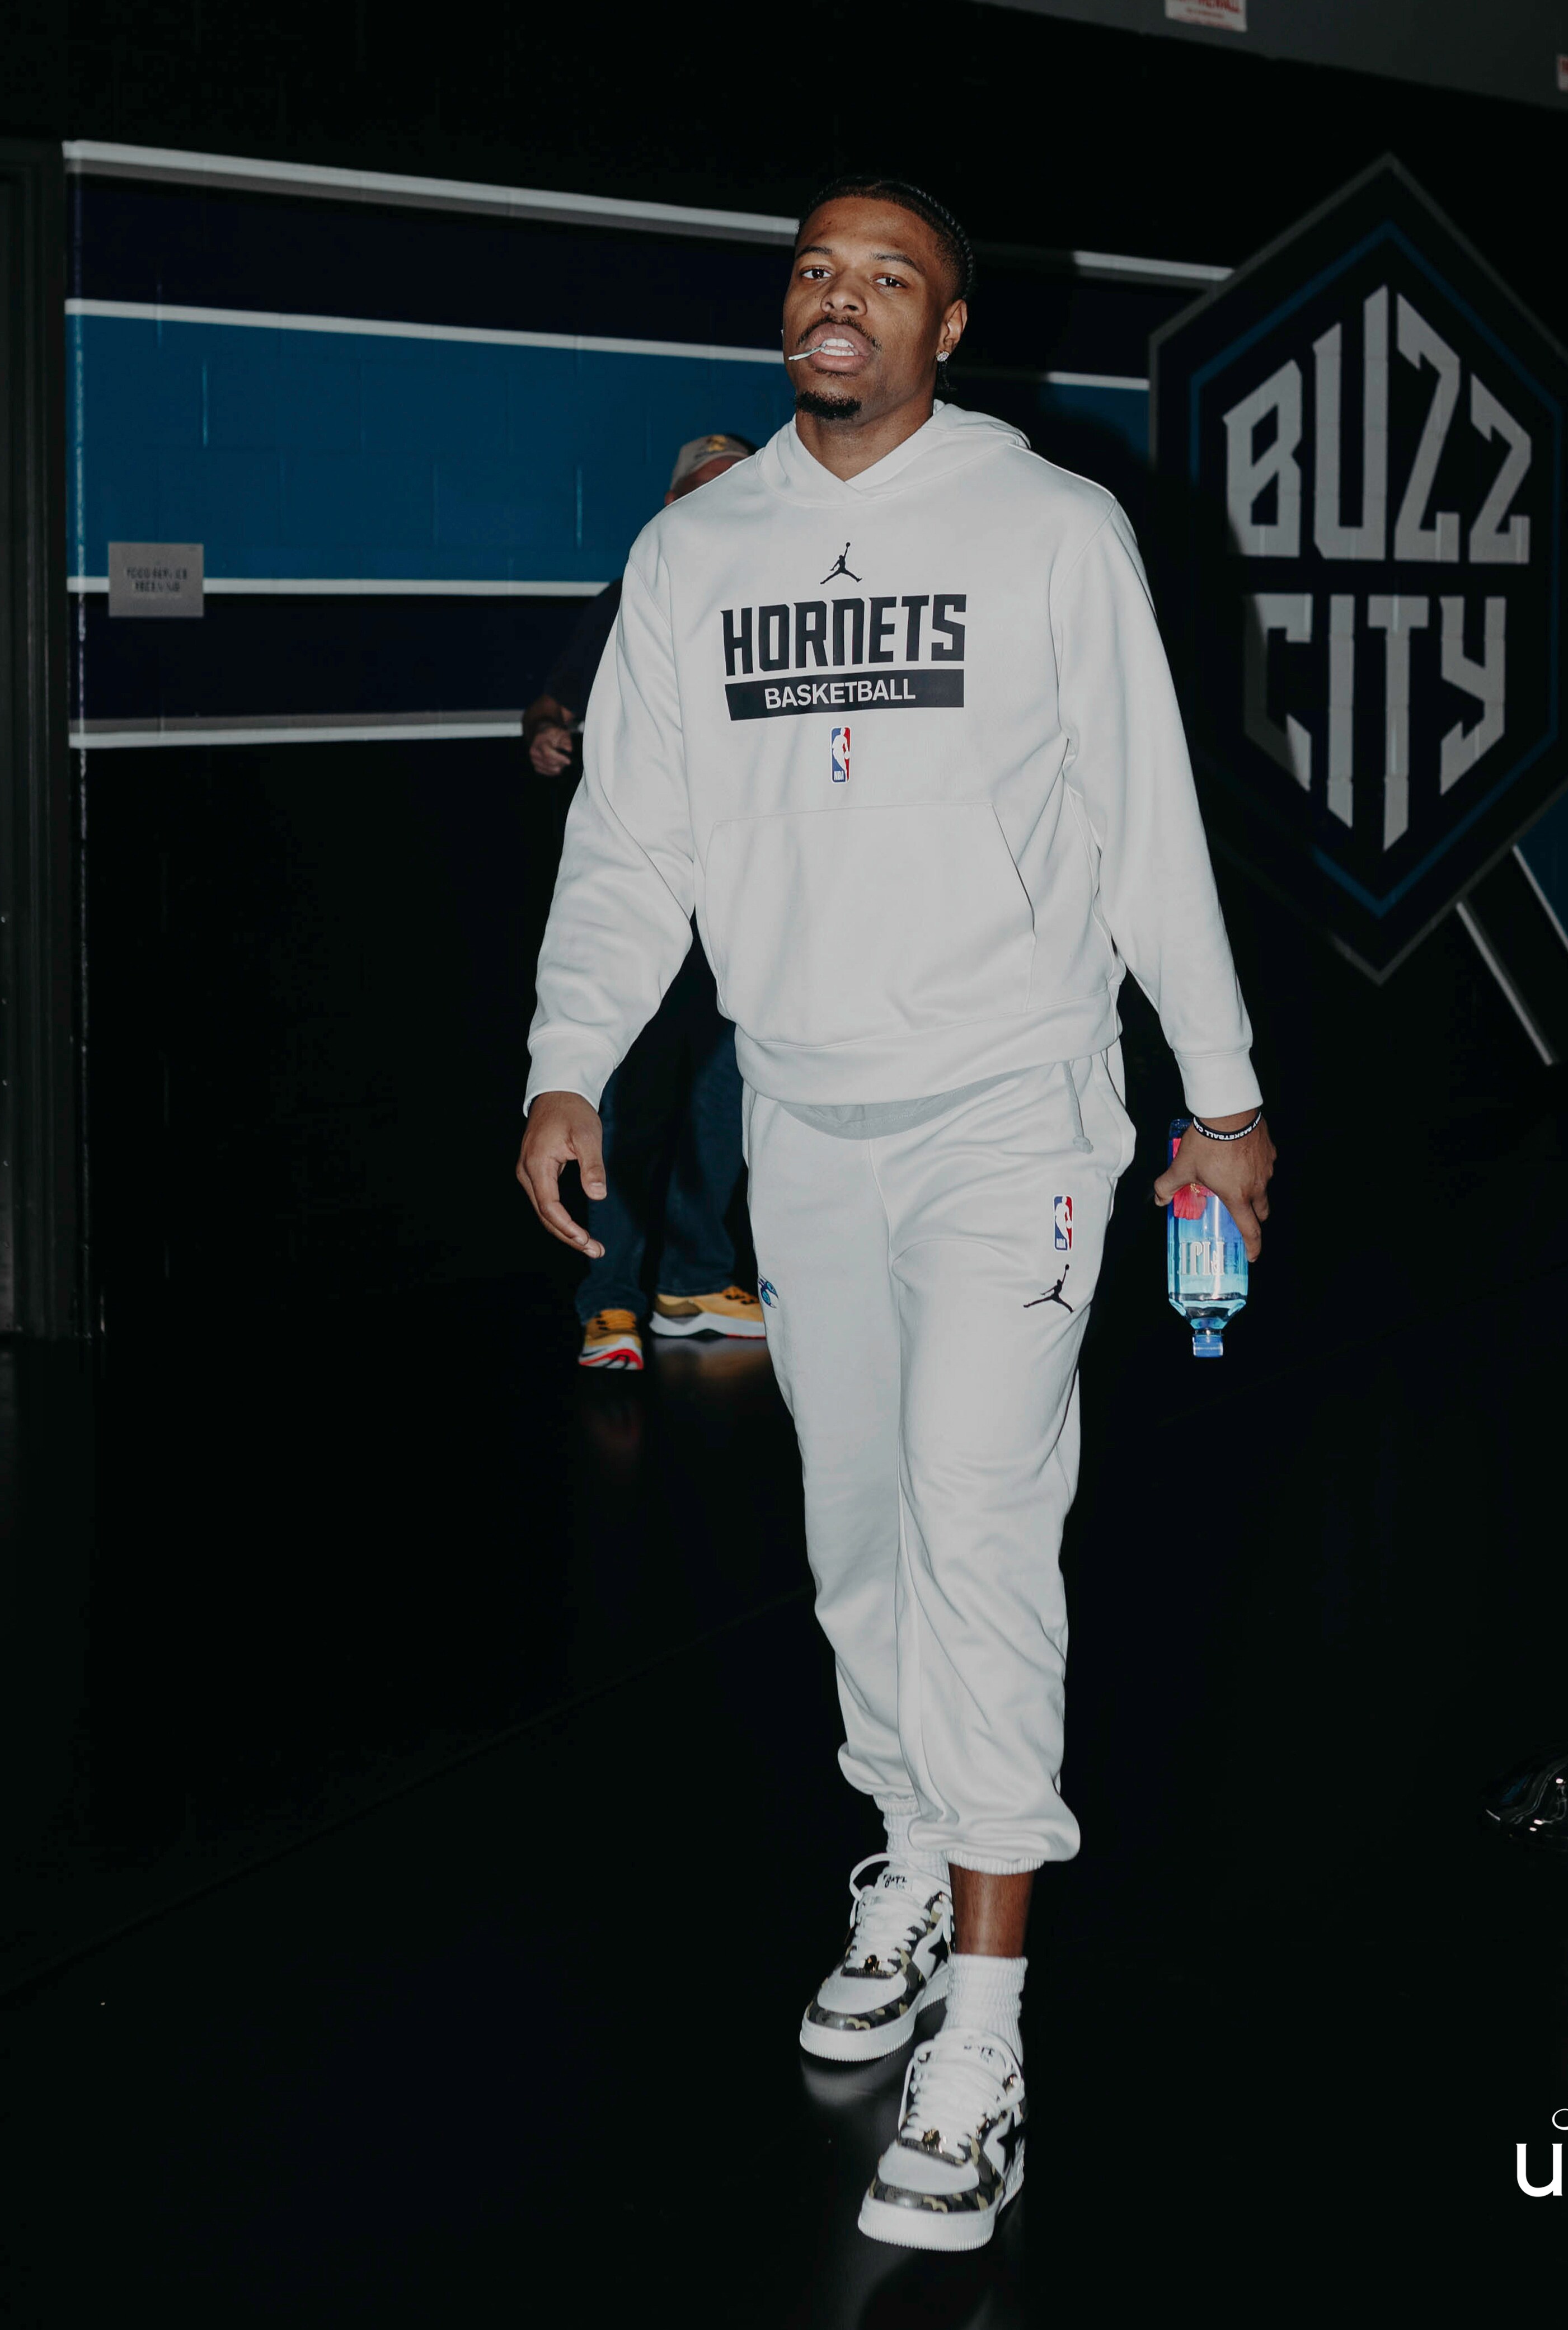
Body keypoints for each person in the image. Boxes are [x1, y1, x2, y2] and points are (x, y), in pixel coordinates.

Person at [517, 180, 1275, 2246]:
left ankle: (989, 2040)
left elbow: (1146, 828)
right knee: (855, 1543)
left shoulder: (1049, 528)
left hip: (1014, 1115)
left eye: (886, 278)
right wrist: (569, 1059)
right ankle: (913, 1866)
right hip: (809, 1120)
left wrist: (1221, 1099)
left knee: (977, 1525)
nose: (835, 299)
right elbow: (631, 842)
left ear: (947, 329)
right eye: (813, 269)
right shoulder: (696, 554)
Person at [522, 433, 766, 1368]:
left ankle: (694, 1280)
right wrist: (549, 734)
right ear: (672, 507)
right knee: (623, 1100)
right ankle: (610, 1298)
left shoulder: (778, 598)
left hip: (738, 911)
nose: (728, 504)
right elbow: (554, 703)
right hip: (648, 901)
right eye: (708, 489)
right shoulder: (641, 594)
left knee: (725, 1098)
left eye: (744, 486)